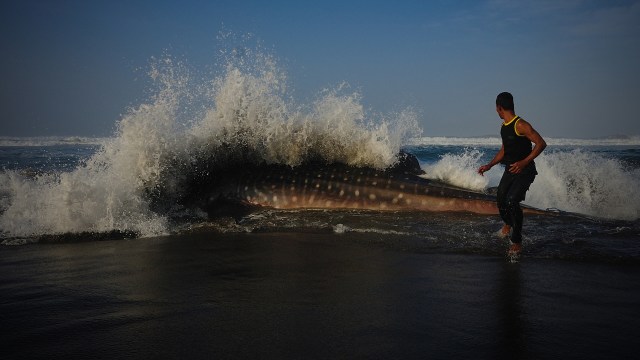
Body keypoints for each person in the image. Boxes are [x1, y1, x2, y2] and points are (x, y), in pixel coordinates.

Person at [478, 92, 547, 255]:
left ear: (498, 108)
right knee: (501, 198)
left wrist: (524, 162)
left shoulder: (521, 125)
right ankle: (508, 223)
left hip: (525, 171)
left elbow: (541, 143)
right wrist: (489, 165)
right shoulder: (504, 126)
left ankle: (517, 241)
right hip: (510, 170)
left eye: (496, 109)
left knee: (511, 202)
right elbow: (504, 150)